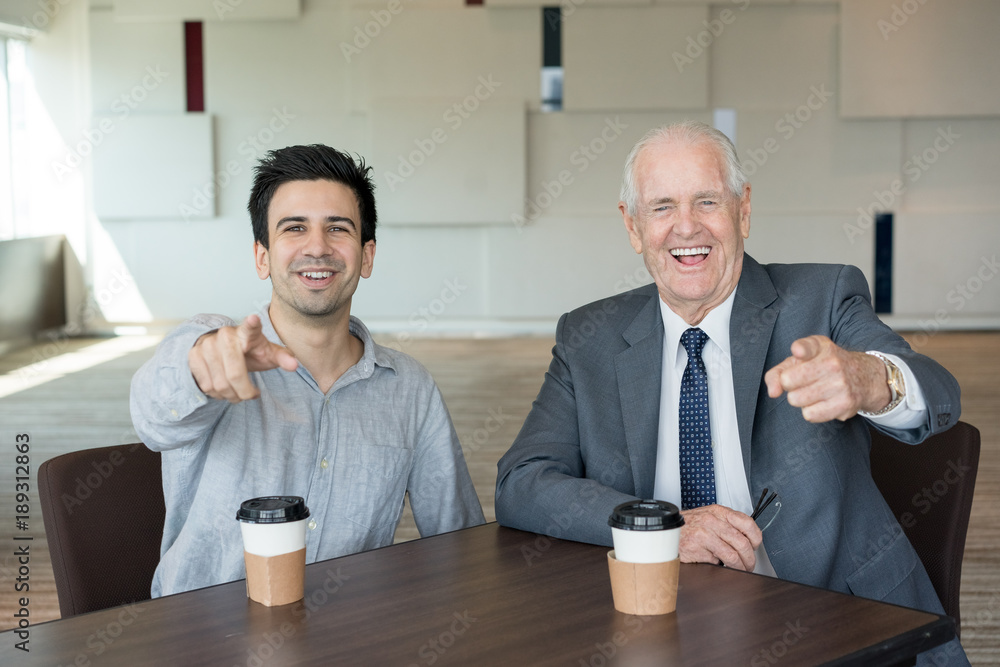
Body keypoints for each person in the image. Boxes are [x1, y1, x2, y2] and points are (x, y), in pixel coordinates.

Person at [495, 121, 967, 665]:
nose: (686, 227)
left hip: (838, 624)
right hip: (659, 628)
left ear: (743, 211)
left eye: (707, 201)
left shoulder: (823, 297)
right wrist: (659, 530)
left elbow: (936, 390)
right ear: (632, 225)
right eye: (662, 207)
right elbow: (522, 482)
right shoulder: (588, 338)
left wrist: (871, 379)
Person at [132, 144, 484, 597]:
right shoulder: (220, 349)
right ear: (263, 256)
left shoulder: (410, 387)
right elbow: (154, 418)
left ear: (367, 255)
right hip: (201, 642)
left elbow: (459, 542)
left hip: (347, 640)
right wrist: (200, 370)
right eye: (294, 228)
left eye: (337, 228)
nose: (317, 247)